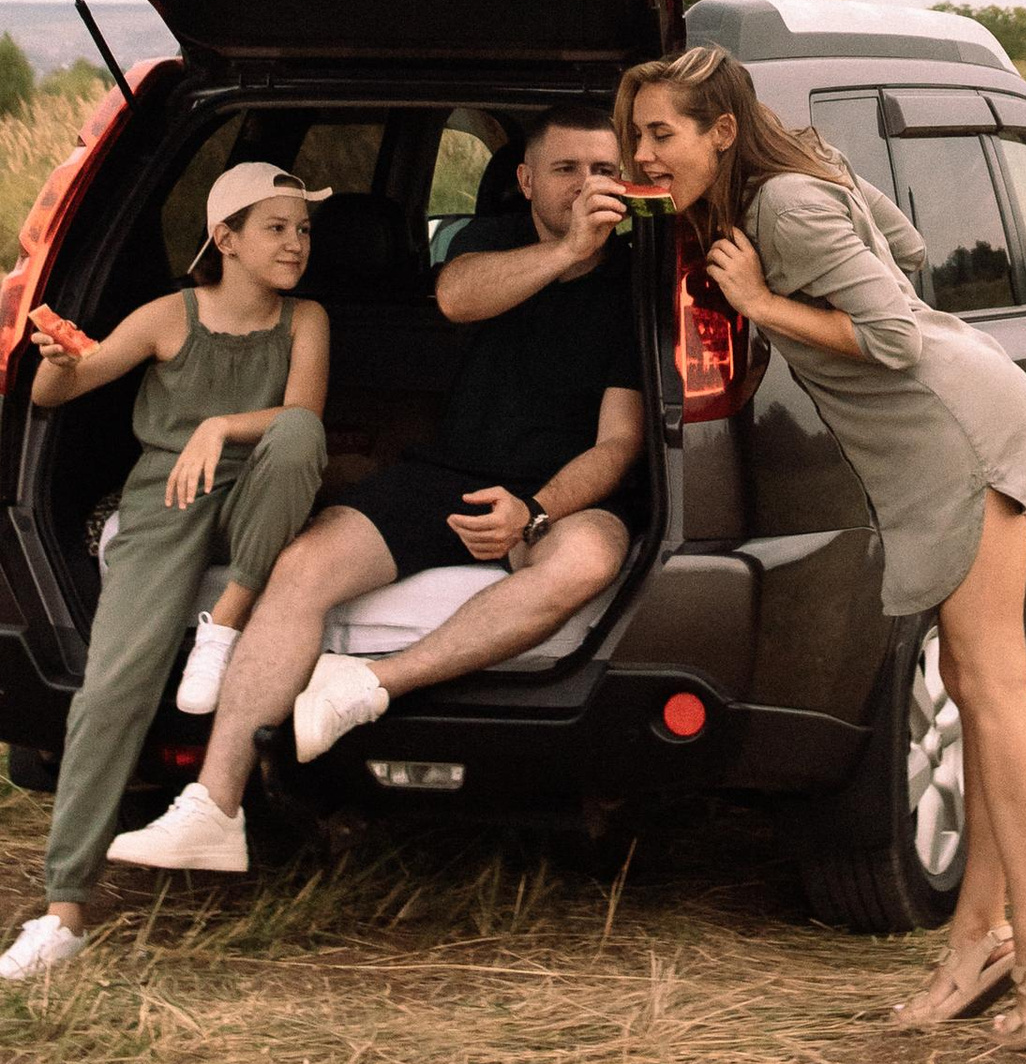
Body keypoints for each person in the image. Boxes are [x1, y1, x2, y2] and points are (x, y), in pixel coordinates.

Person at [623, 43, 1026, 1051]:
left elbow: (889, 333)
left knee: (993, 685)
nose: (642, 152)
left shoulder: (782, 208)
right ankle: (979, 941)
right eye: (635, 136)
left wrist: (761, 305)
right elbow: (909, 248)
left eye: (659, 133)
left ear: (718, 130)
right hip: (944, 422)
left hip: (953, 429)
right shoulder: (796, 185)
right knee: (976, 691)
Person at [108, 101, 645, 877]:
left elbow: (621, 442)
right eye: (566, 170)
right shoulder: (492, 242)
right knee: (302, 566)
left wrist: (536, 512)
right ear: (526, 181)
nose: (585, 185)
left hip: (557, 497)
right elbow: (460, 297)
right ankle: (211, 808)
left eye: (603, 171)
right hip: (448, 473)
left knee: (590, 558)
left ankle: (369, 683)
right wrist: (567, 250)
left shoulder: (637, 283)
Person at [0, 161, 332, 986]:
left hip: (259, 490)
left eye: (305, 229)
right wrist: (60, 360)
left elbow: (303, 415)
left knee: (296, 440)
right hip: (165, 500)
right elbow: (54, 395)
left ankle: (227, 623)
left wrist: (220, 423)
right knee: (115, 684)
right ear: (227, 239)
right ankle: (64, 907)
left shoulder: (306, 318)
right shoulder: (169, 318)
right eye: (277, 227)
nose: (296, 243)